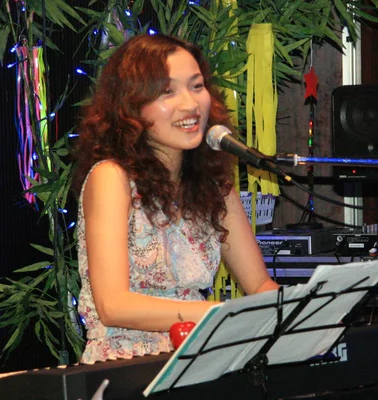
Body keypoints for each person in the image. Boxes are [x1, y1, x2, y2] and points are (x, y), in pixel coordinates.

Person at [73, 33, 279, 364]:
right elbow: (112, 306)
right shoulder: (111, 177)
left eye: (197, 86)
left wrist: (302, 315)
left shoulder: (213, 183)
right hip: (127, 365)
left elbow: (258, 284)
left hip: (199, 358)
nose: (190, 104)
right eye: (168, 91)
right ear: (131, 106)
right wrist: (224, 313)